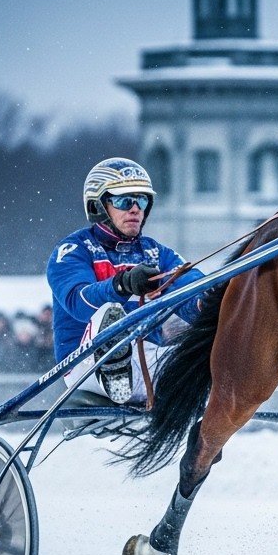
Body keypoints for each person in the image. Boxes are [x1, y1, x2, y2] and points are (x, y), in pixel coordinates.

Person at [47, 157, 205, 403]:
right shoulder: (73, 249)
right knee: (110, 313)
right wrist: (122, 285)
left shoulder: (157, 253)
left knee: (215, 324)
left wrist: (211, 300)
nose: (135, 209)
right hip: (86, 366)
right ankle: (116, 369)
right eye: (124, 201)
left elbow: (189, 289)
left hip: (148, 359)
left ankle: (276, 367)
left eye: (141, 200)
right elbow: (78, 302)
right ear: (99, 206)